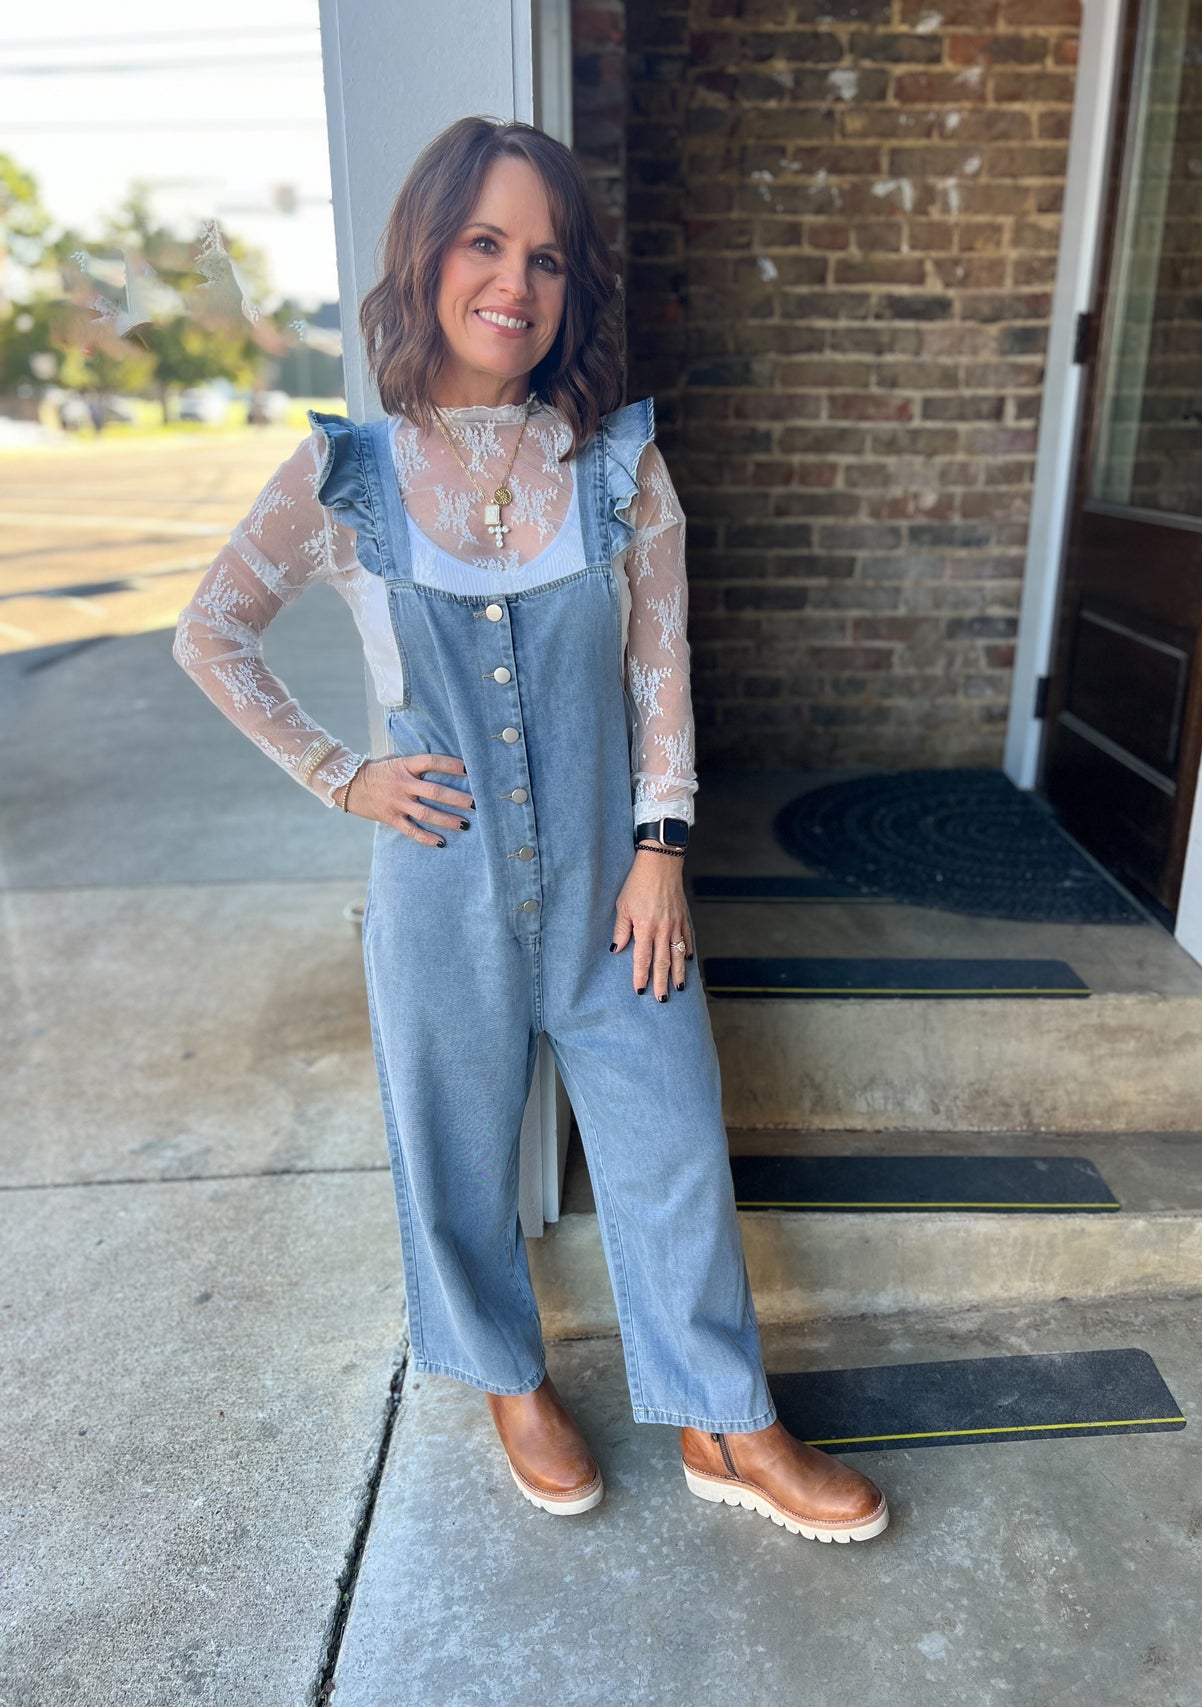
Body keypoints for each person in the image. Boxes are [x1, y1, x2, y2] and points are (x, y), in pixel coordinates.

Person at [171, 115, 888, 1546]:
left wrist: (664, 848)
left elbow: (660, 677)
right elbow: (210, 635)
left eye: (547, 257)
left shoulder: (618, 472)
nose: (517, 282)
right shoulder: (350, 475)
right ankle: (506, 1378)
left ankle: (721, 1415)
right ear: (428, 257)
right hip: (438, 884)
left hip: (613, 889)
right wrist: (341, 774)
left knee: (670, 1131)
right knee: (450, 1145)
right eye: (486, 243)